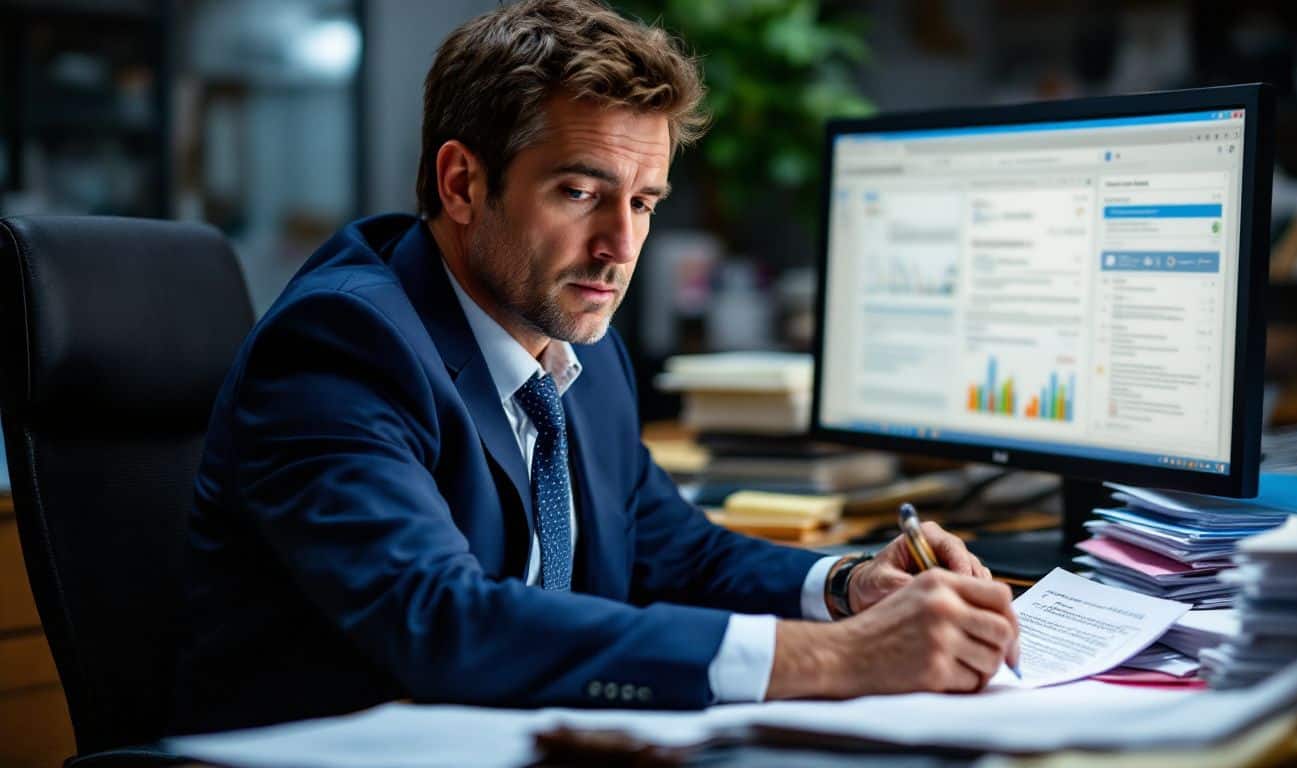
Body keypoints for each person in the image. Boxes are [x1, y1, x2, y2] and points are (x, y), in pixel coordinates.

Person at [174, 0, 1020, 735]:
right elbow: (441, 623)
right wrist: (837, 659)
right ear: (463, 184)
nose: (620, 247)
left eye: (643, 202)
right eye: (580, 192)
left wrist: (845, 587)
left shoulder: (576, 339)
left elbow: (668, 550)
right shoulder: (341, 345)